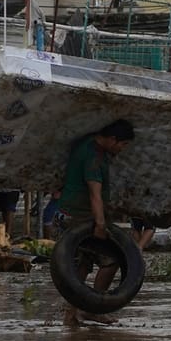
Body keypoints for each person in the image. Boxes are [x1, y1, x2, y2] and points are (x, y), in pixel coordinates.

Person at [57, 119, 135, 326]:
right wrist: (100, 225)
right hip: (82, 216)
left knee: (80, 266)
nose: (122, 149)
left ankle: (71, 315)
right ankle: (94, 308)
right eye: (123, 144)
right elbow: (95, 195)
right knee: (110, 260)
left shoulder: (85, 143)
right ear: (112, 139)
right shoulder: (94, 158)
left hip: (69, 211)